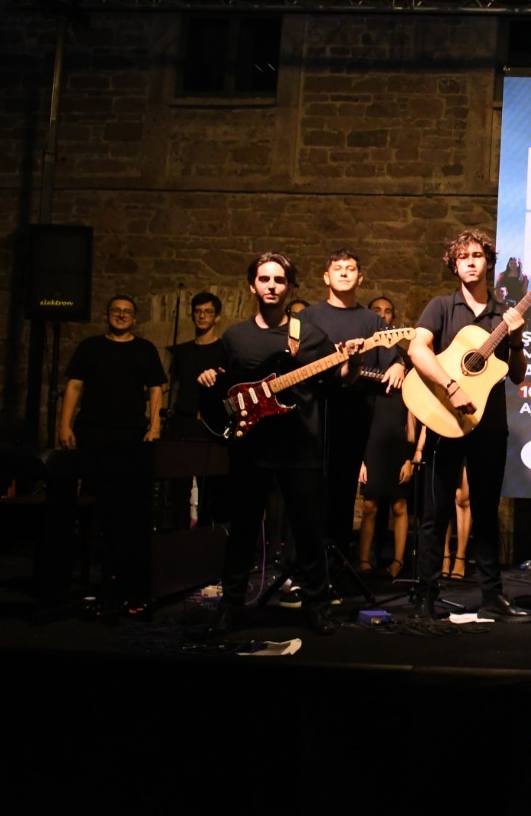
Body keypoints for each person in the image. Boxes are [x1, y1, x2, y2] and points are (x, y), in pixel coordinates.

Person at [198, 253, 356, 635]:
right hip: (251, 448)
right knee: (242, 530)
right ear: (252, 286)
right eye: (264, 279)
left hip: (300, 447)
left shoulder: (310, 335)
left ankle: (317, 607)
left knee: (308, 531)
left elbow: (340, 380)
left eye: (279, 280)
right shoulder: (235, 336)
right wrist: (208, 379)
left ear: (289, 287)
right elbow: (224, 386)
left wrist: (350, 361)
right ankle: (231, 606)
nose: (272, 286)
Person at [406, 229, 531, 622]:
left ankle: (492, 596)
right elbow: (416, 348)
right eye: (463, 257)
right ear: (454, 265)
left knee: (486, 512)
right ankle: (425, 596)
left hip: (489, 425)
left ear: (489, 262)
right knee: (436, 513)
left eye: (477, 255)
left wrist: (516, 339)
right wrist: (451, 386)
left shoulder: (504, 314)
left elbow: (517, 376)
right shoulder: (442, 307)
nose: (471, 262)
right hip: (443, 417)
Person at [58, 294, 167, 615]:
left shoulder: (144, 349)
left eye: (127, 312)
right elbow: (74, 386)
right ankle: (95, 575)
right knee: (95, 505)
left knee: (128, 509)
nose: (121, 315)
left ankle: (125, 578)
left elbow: (156, 389)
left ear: (135, 318)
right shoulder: (90, 347)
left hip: (130, 435)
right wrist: (64, 425)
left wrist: (155, 426)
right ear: (107, 315)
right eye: (116, 311)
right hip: (92, 434)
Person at [301, 250, 406, 576]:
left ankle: (335, 568)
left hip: (355, 418)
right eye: (338, 268)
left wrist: (398, 365)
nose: (344, 273)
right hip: (311, 416)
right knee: (307, 492)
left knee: (343, 495)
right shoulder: (308, 318)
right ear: (326, 276)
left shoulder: (372, 322)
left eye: (350, 269)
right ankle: (303, 567)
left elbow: (393, 357)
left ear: (360, 278)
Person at [358, 296, 412, 578]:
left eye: (387, 311)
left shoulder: (405, 360)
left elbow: (414, 411)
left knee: (399, 505)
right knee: (369, 505)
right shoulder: (361, 358)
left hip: (398, 442)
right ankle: (364, 562)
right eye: (376, 310)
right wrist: (360, 459)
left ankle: (397, 563)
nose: (382, 315)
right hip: (371, 443)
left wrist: (411, 456)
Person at [163, 292, 226, 529]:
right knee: (179, 486)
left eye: (208, 312)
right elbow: (172, 386)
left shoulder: (223, 349)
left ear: (217, 317)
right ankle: (178, 536)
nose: (202, 316)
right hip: (183, 421)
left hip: (210, 425)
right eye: (198, 311)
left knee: (210, 486)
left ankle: (207, 536)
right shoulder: (182, 351)